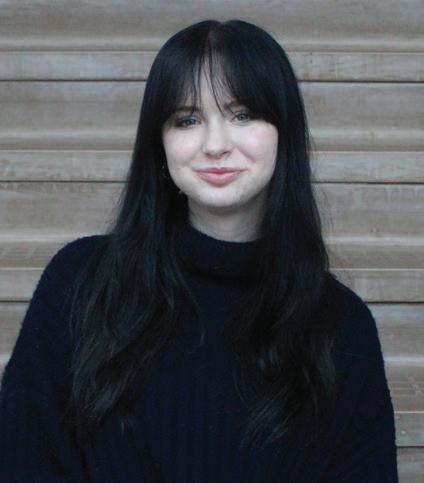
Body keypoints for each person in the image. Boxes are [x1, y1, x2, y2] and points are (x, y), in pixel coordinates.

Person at [0, 19, 398, 482]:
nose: (215, 145)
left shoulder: (340, 325)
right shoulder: (81, 283)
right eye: (187, 120)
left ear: (283, 131)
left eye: (242, 114)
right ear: (160, 142)